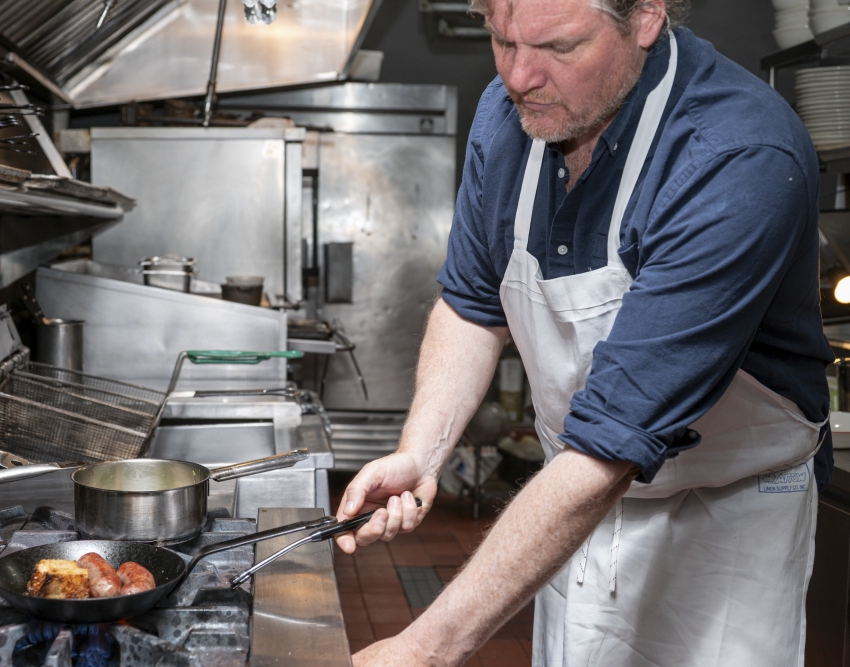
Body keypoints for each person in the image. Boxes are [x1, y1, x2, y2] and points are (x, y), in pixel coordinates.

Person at [335, 0, 834, 665]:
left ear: (647, 17)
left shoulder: (737, 154)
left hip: (721, 528)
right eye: (501, 40)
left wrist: (428, 646)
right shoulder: (512, 113)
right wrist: (421, 453)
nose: (519, 76)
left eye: (560, 48)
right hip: (568, 510)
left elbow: (612, 441)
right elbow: (471, 304)